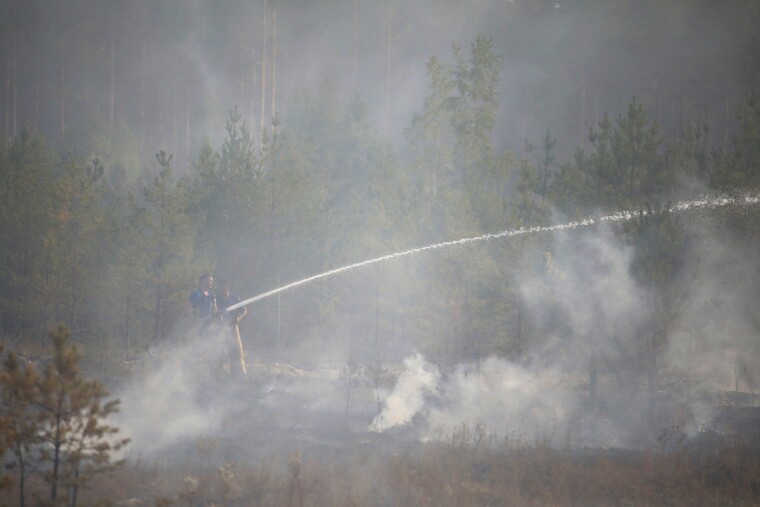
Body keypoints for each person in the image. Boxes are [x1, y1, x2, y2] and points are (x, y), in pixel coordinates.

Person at [215, 279, 248, 379]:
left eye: (225, 286)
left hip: (233, 327)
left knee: (237, 350)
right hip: (221, 327)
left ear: (228, 286)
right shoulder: (217, 298)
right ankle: (220, 374)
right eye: (221, 286)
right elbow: (215, 310)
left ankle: (240, 373)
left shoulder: (235, 297)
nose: (223, 288)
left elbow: (244, 310)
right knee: (220, 350)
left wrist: (238, 318)